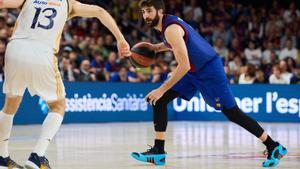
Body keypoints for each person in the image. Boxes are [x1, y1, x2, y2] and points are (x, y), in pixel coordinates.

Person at [131, 0, 287, 167]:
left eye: (149, 11)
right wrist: (155, 48)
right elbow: (176, 45)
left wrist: (161, 88)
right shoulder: (169, 24)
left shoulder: (171, 29)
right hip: (194, 71)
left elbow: (183, 65)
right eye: (143, 12)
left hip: (208, 71)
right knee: (160, 101)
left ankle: (273, 146)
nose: (145, 15)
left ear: (160, 11)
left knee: (232, 113)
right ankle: (158, 152)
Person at [0, 0, 131, 169]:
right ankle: (37, 156)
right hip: (41, 52)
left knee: (10, 105)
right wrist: (120, 39)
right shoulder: (69, 4)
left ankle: (2, 158)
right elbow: (99, 11)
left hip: (15, 49)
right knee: (58, 106)